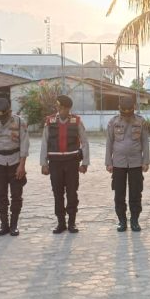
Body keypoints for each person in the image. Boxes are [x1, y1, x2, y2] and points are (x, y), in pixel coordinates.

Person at [40, 95, 89, 234]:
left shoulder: (77, 121)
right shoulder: (50, 121)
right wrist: (43, 163)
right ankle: (61, 223)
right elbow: (44, 142)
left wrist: (85, 163)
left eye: (62, 107)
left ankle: (71, 223)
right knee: (58, 193)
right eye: (59, 107)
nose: (60, 109)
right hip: (55, 163)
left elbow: (85, 142)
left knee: (72, 193)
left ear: (68, 108)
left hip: (72, 162)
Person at [0, 97, 29, 236]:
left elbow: (24, 144)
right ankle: (4, 224)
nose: (1, 119)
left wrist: (22, 165)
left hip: (15, 161)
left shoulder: (20, 122)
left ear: (9, 111)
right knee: (0, 194)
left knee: (16, 194)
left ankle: (14, 224)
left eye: (5, 115)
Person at [106, 96, 150, 232]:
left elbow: (145, 142)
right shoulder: (113, 122)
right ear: (119, 109)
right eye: (123, 112)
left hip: (136, 163)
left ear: (133, 109)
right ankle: (122, 221)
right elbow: (109, 142)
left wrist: (146, 161)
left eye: (128, 112)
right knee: (119, 193)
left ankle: (135, 220)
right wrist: (108, 162)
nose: (126, 115)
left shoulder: (141, 121)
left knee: (135, 193)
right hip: (118, 164)